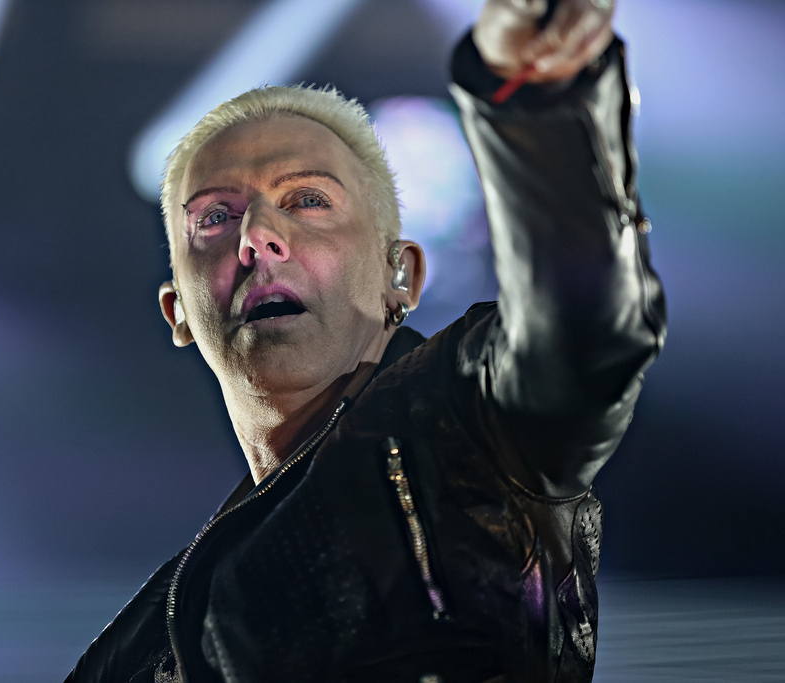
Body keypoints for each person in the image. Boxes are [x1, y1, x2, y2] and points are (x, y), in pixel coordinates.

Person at [66, 0, 665, 680]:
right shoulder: (139, 645)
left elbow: (583, 331)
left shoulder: (470, 420)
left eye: (308, 200)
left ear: (398, 276)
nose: (256, 236)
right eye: (215, 216)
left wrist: (538, 98)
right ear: (178, 311)